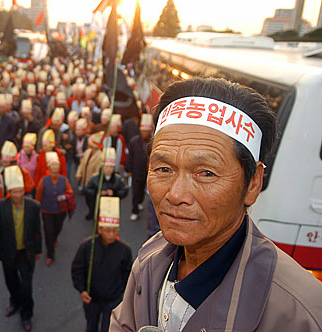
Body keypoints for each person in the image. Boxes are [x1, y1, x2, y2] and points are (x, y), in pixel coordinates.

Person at [110, 78, 322, 331]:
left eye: (206, 173)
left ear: (253, 183)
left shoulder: (299, 313)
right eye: (164, 168)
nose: (176, 194)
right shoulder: (150, 259)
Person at [0, 165, 42, 332]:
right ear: (8, 192)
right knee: (11, 282)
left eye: (21, 191)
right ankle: (15, 302)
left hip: (26, 253)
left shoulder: (33, 206)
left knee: (27, 287)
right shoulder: (0, 207)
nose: (18, 195)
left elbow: (37, 231)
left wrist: (38, 250)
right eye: (14, 192)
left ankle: (26, 315)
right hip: (8, 252)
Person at [71, 196, 132, 332]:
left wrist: (121, 292)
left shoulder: (124, 250)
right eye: (107, 230)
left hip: (113, 299)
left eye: (115, 230)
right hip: (91, 297)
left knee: (109, 327)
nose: (111, 234)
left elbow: (127, 273)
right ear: (99, 229)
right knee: (91, 326)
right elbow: (77, 269)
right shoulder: (87, 246)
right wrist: (81, 289)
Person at [35, 151, 74, 266]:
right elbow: (38, 195)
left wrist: (64, 196)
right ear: (49, 167)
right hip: (47, 210)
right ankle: (50, 253)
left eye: (57, 165)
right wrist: (37, 207)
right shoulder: (43, 181)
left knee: (57, 227)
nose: (55, 167)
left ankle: (54, 238)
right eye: (53, 165)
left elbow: (70, 192)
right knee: (48, 231)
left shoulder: (64, 180)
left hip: (61, 210)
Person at [85, 147, 128, 218]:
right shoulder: (94, 178)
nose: (109, 170)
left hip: (113, 209)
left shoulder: (118, 179)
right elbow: (87, 189)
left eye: (111, 167)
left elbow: (125, 190)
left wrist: (114, 193)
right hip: (98, 208)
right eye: (106, 167)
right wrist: (98, 192)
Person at [125, 113, 152, 221]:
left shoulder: (154, 142)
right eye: (142, 130)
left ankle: (140, 202)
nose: (144, 133)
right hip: (137, 171)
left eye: (146, 131)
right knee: (136, 191)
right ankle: (134, 209)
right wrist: (129, 170)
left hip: (149, 171)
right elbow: (130, 157)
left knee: (143, 191)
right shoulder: (134, 141)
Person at [76, 131, 104, 219]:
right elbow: (82, 163)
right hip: (85, 180)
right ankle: (91, 211)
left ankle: (93, 213)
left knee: (92, 199)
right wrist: (79, 173)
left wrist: (92, 181)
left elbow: (98, 171)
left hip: (92, 183)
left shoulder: (100, 156)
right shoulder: (87, 152)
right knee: (87, 199)